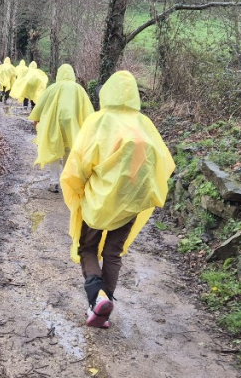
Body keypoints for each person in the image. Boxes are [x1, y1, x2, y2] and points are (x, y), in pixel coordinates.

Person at [60, 71, 175, 329]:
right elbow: (163, 164)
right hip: (130, 203)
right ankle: (104, 307)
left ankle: (97, 297)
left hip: (98, 203)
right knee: (113, 252)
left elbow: (79, 164)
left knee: (87, 248)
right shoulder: (144, 124)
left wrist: (77, 191)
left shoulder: (98, 122)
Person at [28, 64, 94, 193]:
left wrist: (36, 119)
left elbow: (40, 106)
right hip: (72, 127)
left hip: (53, 125)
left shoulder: (53, 88)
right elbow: (87, 110)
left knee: (54, 152)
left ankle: (54, 182)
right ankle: (67, 181)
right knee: (69, 153)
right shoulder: (78, 89)